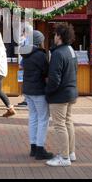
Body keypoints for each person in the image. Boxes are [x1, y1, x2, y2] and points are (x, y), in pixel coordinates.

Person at [45, 23, 78, 167]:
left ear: (59, 36)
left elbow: (54, 78)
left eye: (55, 34)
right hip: (71, 91)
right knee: (68, 122)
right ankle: (70, 152)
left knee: (59, 125)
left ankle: (64, 157)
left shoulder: (58, 54)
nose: (54, 37)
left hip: (60, 95)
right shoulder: (71, 50)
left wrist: (48, 91)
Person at [21, 30, 53, 160]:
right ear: (39, 42)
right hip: (38, 90)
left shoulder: (25, 53)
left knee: (33, 118)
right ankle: (40, 149)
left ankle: (33, 147)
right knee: (43, 119)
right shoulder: (40, 55)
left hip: (27, 90)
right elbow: (46, 72)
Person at [16, 22, 34, 108]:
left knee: (26, 82)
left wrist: (22, 64)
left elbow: (25, 53)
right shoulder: (27, 40)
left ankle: (27, 100)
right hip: (25, 64)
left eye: (24, 31)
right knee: (24, 82)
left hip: (26, 65)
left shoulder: (28, 41)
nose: (23, 33)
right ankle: (26, 100)